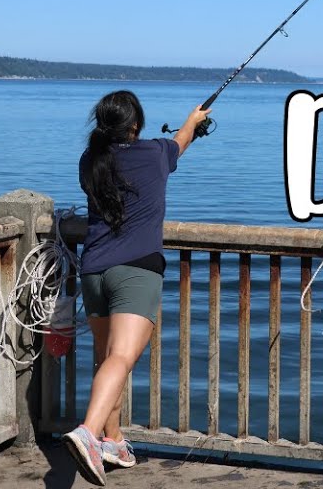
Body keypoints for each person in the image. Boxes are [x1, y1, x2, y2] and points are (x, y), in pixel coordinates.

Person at [62, 90, 211, 486]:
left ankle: (113, 441)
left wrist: (188, 129)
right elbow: (180, 142)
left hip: (93, 270)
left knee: (107, 359)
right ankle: (89, 433)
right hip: (136, 271)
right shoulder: (155, 154)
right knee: (122, 357)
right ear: (135, 125)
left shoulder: (89, 162)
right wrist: (192, 122)